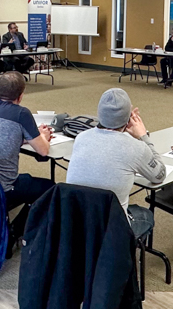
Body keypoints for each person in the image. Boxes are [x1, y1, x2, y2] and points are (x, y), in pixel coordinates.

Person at [0, 71, 54, 255]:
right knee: (51, 189)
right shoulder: (21, 114)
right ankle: (15, 231)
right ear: (21, 96)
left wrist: (29, 138)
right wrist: (43, 137)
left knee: (29, 181)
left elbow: (3, 136)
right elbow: (43, 151)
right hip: (3, 187)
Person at [66, 88, 166, 238]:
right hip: (112, 229)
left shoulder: (81, 137)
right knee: (145, 215)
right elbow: (159, 175)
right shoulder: (135, 147)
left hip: (76, 223)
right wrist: (143, 136)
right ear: (127, 119)